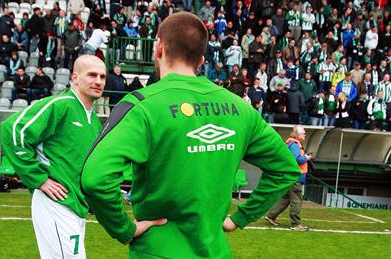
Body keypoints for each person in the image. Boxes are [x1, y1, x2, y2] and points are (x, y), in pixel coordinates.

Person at [80, 13, 300, 258]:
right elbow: (286, 169)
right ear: (202, 59)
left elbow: (95, 177)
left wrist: (124, 228)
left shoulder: (141, 105)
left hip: (158, 250)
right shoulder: (241, 108)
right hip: (216, 251)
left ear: (159, 48)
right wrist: (240, 218)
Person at [1, 55, 106, 258]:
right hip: (55, 202)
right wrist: (39, 179)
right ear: (75, 78)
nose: (98, 81)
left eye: (102, 76)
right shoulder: (60, 105)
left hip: (75, 205)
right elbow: (13, 129)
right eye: (92, 75)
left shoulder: (93, 120)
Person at [266, 125, 311, 231]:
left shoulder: (291, 143)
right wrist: (306, 158)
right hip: (295, 176)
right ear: (298, 135)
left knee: (285, 199)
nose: (305, 135)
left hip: (291, 176)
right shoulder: (295, 145)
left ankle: (271, 216)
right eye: (304, 133)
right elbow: (296, 159)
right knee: (296, 200)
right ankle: (295, 224)